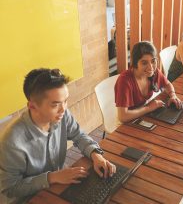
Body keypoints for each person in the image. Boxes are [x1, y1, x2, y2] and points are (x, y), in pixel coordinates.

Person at [0, 68, 116, 203]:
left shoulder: (61, 115)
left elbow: (78, 135)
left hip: (57, 186)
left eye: (65, 101)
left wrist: (96, 156)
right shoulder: (12, 142)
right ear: (32, 106)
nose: (63, 109)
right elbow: (10, 188)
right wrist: (52, 177)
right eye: (55, 104)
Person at [115, 41, 183, 123]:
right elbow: (123, 117)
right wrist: (149, 108)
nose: (150, 67)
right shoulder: (124, 81)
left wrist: (173, 96)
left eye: (153, 61)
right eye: (144, 63)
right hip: (128, 122)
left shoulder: (154, 72)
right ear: (135, 63)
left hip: (143, 114)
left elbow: (167, 84)